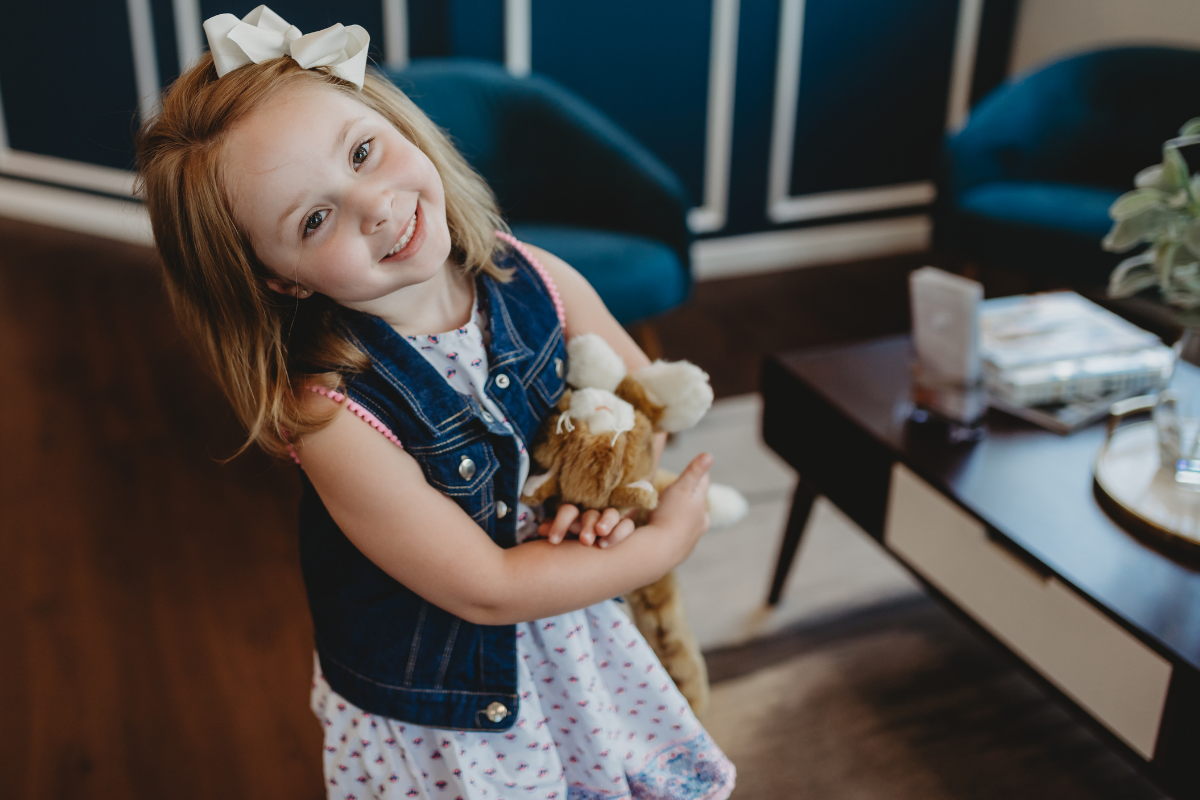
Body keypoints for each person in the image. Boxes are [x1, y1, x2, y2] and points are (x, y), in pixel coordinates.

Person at [135, 7, 735, 800]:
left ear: (398, 124)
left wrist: (608, 504)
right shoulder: (330, 416)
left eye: (362, 152)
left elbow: (635, 404)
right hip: (454, 707)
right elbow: (485, 586)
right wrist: (661, 546)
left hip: (571, 627)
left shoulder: (536, 276)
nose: (375, 207)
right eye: (315, 219)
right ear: (282, 279)